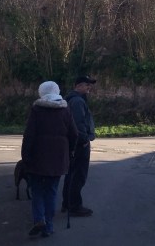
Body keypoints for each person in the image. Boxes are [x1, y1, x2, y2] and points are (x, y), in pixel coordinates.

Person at [21, 81, 78, 238]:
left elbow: (29, 135)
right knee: (51, 191)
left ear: (41, 92)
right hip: (58, 158)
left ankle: (39, 219)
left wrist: (25, 156)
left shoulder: (37, 109)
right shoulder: (65, 110)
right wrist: (70, 151)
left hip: (37, 157)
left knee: (37, 191)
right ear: (57, 91)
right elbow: (74, 134)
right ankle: (49, 226)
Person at [61, 75, 97, 216]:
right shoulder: (77, 101)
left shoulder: (73, 99)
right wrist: (84, 140)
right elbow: (78, 123)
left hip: (74, 143)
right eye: (87, 85)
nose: (89, 87)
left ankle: (67, 203)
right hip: (80, 144)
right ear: (78, 86)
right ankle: (75, 206)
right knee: (78, 175)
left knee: (71, 174)